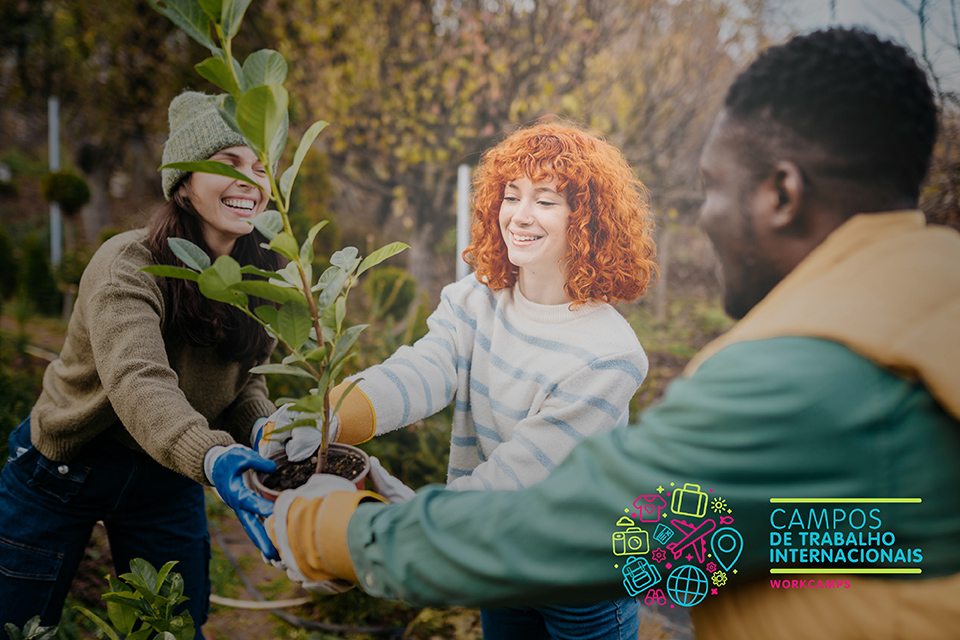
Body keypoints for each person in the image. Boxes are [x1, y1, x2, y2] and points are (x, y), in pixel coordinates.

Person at [262, 28, 960, 639]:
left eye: (711, 186)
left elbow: (599, 528)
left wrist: (348, 533)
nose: (705, 216)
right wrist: (335, 418)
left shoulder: (804, 373)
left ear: (781, 193)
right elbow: (867, 534)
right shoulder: (928, 305)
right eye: (512, 195)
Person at [261, 121, 658, 638]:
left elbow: (519, 478)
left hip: (578, 574)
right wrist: (331, 416)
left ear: (586, 219)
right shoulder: (479, 297)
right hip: (497, 558)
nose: (519, 215)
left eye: (545, 201)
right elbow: (424, 368)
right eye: (511, 195)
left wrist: (395, 523)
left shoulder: (608, 354)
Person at [0, 91, 282, 634]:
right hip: (66, 466)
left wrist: (265, 427)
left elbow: (243, 385)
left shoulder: (262, 281)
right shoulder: (128, 263)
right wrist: (216, 457)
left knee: (173, 629)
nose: (251, 180)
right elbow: (139, 380)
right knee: (18, 625)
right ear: (183, 182)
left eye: (261, 167)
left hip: (166, 473)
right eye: (228, 163)